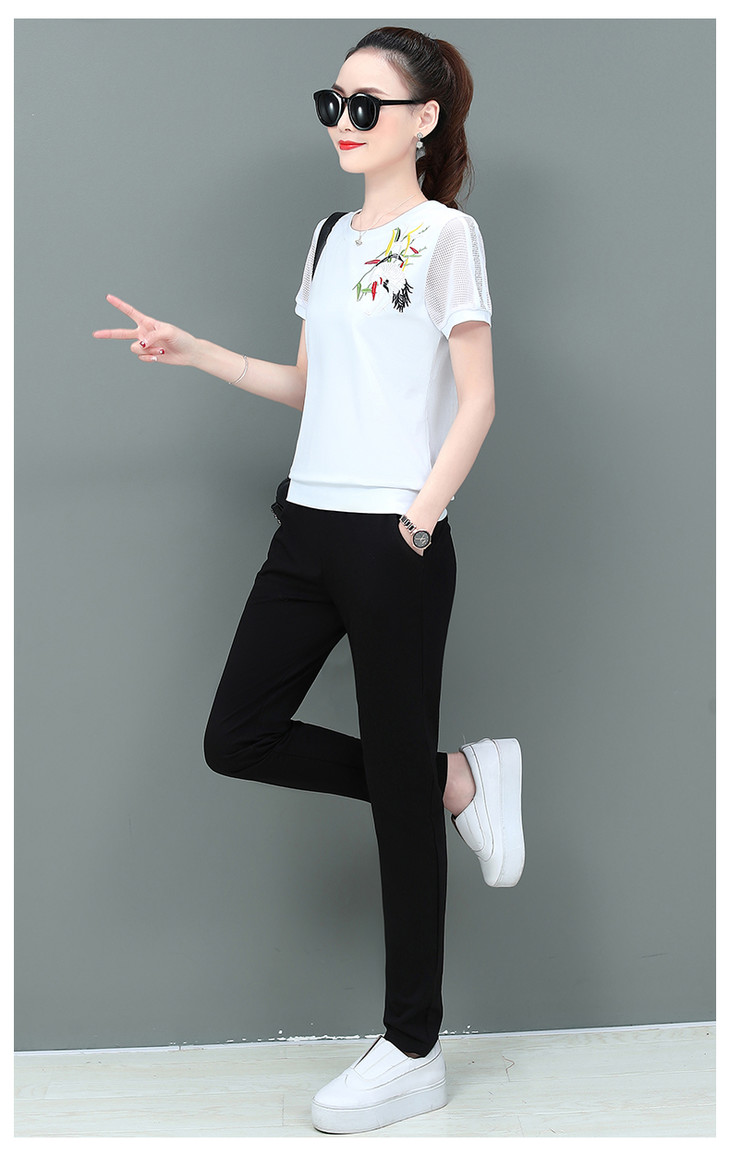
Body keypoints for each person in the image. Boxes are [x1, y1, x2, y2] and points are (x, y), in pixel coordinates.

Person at [93, 24, 525, 1135]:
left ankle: (413, 1045)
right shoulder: (330, 236)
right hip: (306, 528)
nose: (344, 122)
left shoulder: (447, 236)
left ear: (423, 120)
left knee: (394, 812)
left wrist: (418, 519)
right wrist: (196, 351)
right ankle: (454, 777)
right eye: (333, 101)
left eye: (366, 105)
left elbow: (477, 398)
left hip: (393, 537)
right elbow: (309, 385)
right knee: (237, 734)